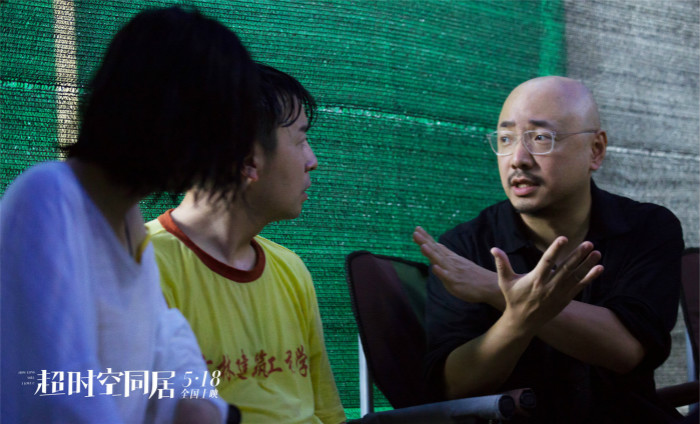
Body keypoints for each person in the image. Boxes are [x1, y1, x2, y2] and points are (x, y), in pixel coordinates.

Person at [1, 6, 259, 423]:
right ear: (171, 116)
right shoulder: (47, 199)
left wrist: (199, 402)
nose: (228, 156)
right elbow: (59, 393)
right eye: (219, 130)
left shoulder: (127, 217)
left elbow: (163, 337)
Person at [413, 76, 684, 423]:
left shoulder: (648, 227)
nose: (518, 159)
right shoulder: (464, 248)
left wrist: (493, 288)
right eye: (506, 139)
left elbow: (628, 350)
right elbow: (455, 387)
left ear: (595, 150)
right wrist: (517, 317)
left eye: (541, 137)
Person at [145, 63, 346, 424]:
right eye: (301, 141)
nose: (312, 161)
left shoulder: (291, 268)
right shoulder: (143, 266)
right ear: (250, 159)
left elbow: (328, 414)